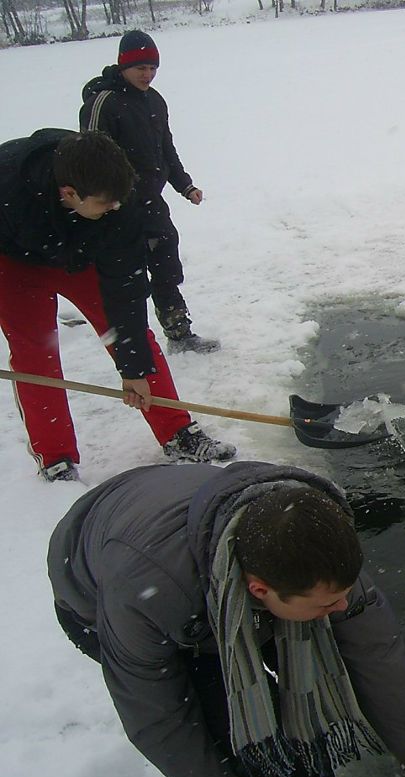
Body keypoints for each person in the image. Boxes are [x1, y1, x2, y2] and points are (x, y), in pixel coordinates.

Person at [49, 461, 405, 777]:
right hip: (100, 587)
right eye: (326, 604)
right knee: (220, 718)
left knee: (306, 671)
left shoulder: (319, 558)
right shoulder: (150, 594)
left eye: (343, 596)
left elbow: (379, 665)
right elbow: (158, 717)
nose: (341, 608)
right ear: (258, 590)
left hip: (175, 517)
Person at [0, 128, 235, 482]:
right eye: (105, 203)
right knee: (35, 355)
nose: (116, 208)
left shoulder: (119, 198)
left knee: (133, 337)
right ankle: (56, 459)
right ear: (69, 193)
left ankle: (177, 432)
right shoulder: (9, 182)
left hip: (83, 254)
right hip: (13, 262)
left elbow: (125, 292)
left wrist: (133, 369)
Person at [80, 29, 219, 354]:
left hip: (150, 201)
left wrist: (184, 185)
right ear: (123, 66)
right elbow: (88, 157)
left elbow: (165, 149)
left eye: (152, 67)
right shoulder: (104, 102)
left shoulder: (154, 100)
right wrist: (105, 202)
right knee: (128, 278)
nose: (148, 74)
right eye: (140, 68)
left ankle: (179, 333)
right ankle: (135, 347)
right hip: (116, 208)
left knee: (167, 265)